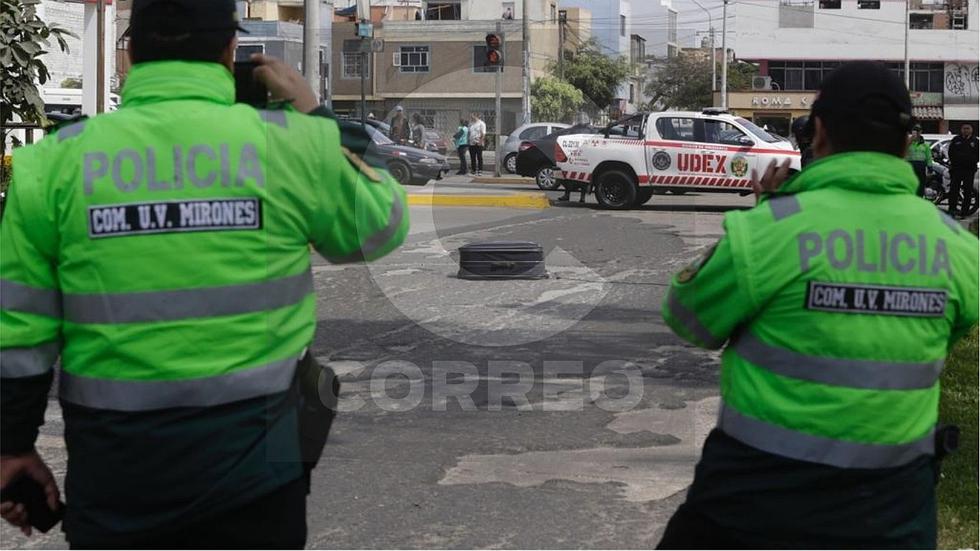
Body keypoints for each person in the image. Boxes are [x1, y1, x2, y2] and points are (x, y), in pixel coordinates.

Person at [0, 0, 409, 547]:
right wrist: (314, 112)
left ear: (131, 55)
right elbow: (381, 228)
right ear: (230, 52)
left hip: (116, 482)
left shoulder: (50, 164)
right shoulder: (291, 143)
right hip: (259, 483)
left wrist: (12, 446)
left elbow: (18, 334)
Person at [658, 61, 978, 549]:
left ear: (820, 133)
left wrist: (769, 211)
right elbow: (939, 336)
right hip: (892, 516)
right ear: (905, 141)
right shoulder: (960, 250)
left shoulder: (768, 233)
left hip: (751, 510)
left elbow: (688, 319)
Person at [947, 122, 979, 218]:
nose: (966, 130)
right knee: (954, 190)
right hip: (957, 169)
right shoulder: (956, 140)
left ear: (971, 130)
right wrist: (958, 160)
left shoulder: (975, 141)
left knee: (967, 191)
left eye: (968, 128)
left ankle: (964, 212)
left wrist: (968, 160)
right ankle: (952, 210)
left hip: (969, 170)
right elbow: (951, 153)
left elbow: (977, 155)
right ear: (961, 129)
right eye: (964, 128)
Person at [905, 124, 933, 197]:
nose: (917, 133)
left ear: (921, 132)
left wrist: (930, 168)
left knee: (920, 185)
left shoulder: (925, 144)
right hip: (910, 166)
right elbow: (903, 150)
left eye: (918, 131)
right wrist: (910, 140)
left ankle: (919, 198)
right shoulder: (908, 142)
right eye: (915, 131)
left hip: (920, 166)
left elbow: (929, 157)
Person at [468, 112, 486, 176]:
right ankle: (473, 170)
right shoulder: (471, 124)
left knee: (479, 157)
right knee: (472, 157)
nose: (471, 117)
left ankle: (480, 170)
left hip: (478, 143)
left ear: (476, 116)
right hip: (472, 143)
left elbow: (483, 133)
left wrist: (480, 141)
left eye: (472, 116)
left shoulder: (481, 124)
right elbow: (469, 133)